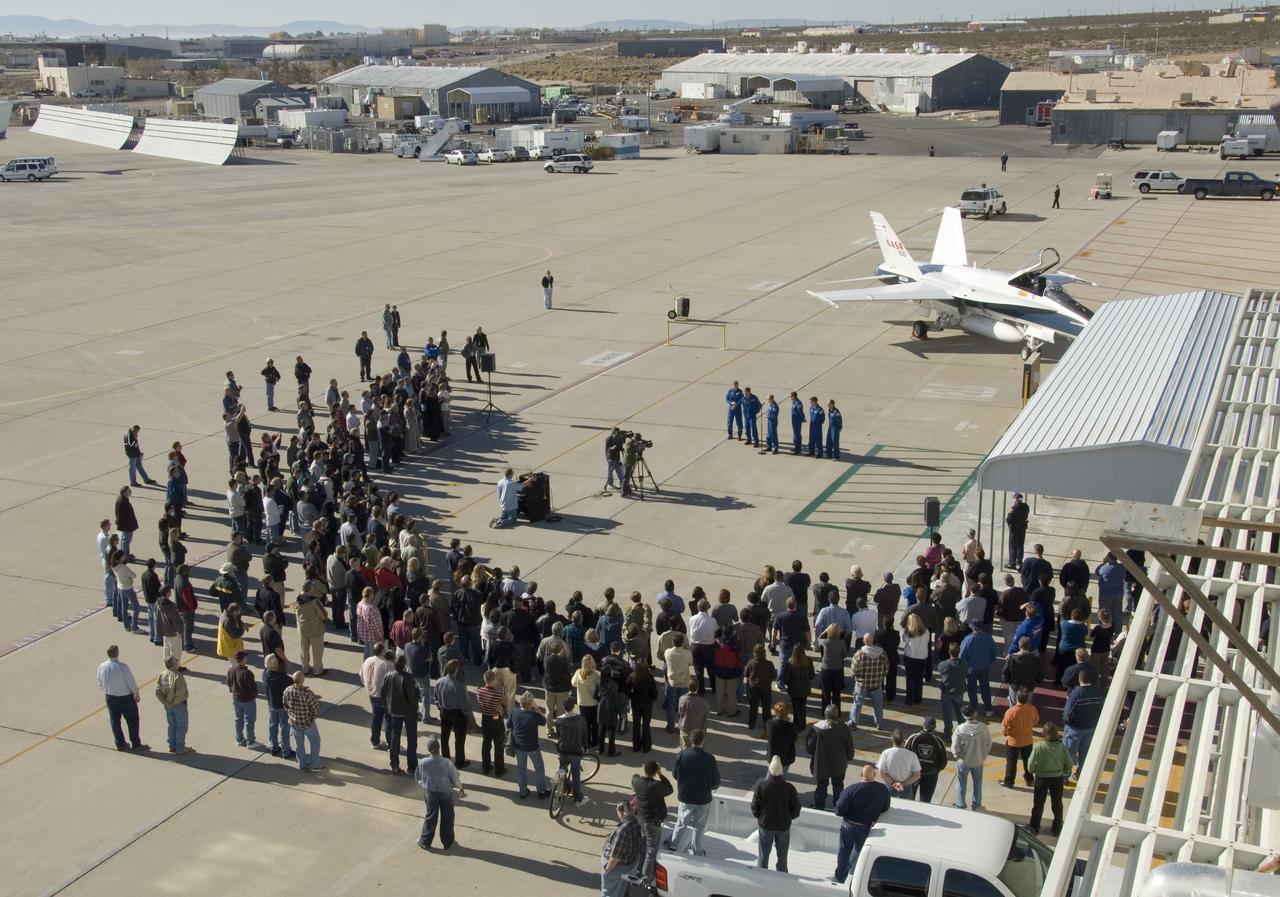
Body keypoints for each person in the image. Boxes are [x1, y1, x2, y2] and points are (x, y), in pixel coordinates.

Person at [833, 765, 892, 884]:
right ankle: (852, 873)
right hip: (866, 827)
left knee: (844, 850)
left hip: (848, 825)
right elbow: (885, 807)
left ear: (861, 775)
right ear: (874, 775)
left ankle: (840, 876)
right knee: (858, 851)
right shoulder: (882, 789)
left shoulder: (851, 790)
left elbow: (839, 810)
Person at [668, 728, 720, 855]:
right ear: (703, 741)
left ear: (690, 740)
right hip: (703, 798)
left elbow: (675, 774)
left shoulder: (681, 755)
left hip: (686, 797)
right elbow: (716, 782)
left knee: (682, 821)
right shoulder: (710, 759)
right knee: (699, 825)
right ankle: (696, 849)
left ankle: (673, 844)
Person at [751, 755, 801, 872]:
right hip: (783, 826)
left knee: (763, 856)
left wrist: (760, 817)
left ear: (769, 770)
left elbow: (754, 806)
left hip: (766, 824)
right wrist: (789, 818)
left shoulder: (761, 786)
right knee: (782, 858)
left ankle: (762, 876)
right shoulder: (790, 788)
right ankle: (782, 876)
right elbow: (796, 809)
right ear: (781, 771)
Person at [415, 734, 464, 850]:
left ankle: (425, 841)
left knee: (430, 817)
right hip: (446, 793)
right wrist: (460, 787)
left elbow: (418, 777)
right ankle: (448, 841)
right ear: (439, 748)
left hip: (431, 793)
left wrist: (425, 785)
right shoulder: (446, 762)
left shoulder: (423, 763)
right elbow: (454, 777)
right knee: (447, 817)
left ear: (429, 749)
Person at [631, 760, 673, 886]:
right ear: (655, 772)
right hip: (652, 823)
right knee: (651, 850)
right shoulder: (656, 786)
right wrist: (661, 774)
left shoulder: (637, 782)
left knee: (643, 847)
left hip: (641, 819)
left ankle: (638, 871)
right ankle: (646, 879)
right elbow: (670, 789)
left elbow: (634, 777)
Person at [806, 704, 855, 810]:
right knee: (838, 785)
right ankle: (838, 807)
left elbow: (809, 747)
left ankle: (819, 806)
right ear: (837, 715)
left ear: (825, 714)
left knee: (821, 785)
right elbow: (849, 745)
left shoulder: (816, 728)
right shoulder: (843, 728)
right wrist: (849, 757)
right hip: (839, 763)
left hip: (821, 763)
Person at [1027, 722, 1072, 835]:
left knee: (1038, 804)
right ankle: (1057, 828)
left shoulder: (1039, 746)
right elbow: (1069, 764)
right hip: (1057, 779)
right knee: (1057, 804)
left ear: (1044, 733)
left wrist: (1034, 770)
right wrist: (1062, 770)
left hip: (1042, 778)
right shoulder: (1062, 747)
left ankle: (1034, 827)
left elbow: (1030, 764)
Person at [383, 654, 422, 774]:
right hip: (409, 712)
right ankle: (412, 766)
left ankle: (394, 765)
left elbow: (383, 692)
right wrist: (416, 709)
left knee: (395, 738)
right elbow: (412, 697)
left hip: (394, 711)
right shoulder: (408, 678)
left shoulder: (388, 676)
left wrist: (388, 705)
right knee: (412, 739)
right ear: (404, 666)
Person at [1063, 667, 1104, 779]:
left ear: (1080, 679)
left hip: (1075, 729)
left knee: (1069, 754)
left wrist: (1067, 723)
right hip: (1091, 728)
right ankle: (1080, 774)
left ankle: (1064, 776)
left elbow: (1068, 713)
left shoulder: (1076, 694)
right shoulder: (1097, 693)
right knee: (1085, 753)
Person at [951, 706, 992, 810]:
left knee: (961, 782)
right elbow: (989, 743)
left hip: (964, 761)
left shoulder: (960, 729)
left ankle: (960, 805)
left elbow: (955, 746)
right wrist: (983, 754)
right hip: (978, 760)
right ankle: (976, 805)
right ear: (974, 714)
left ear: (963, 715)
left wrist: (956, 755)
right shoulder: (983, 727)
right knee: (978, 783)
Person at [601, 802, 645, 897]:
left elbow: (615, 857)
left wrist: (607, 870)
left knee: (608, 893)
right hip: (630, 863)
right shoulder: (636, 820)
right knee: (620, 889)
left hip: (616, 868)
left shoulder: (622, 831)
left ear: (620, 812)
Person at [282, 670, 323, 772]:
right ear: (303, 680)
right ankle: (314, 765)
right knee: (315, 741)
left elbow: (285, 704)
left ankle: (302, 766)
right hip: (307, 723)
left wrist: (290, 714)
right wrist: (311, 717)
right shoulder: (307, 694)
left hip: (294, 723)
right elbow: (315, 707)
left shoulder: (287, 690)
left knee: (299, 745)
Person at [510, 692, 548, 799]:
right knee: (539, 768)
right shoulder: (534, 716)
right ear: (531, 703)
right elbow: (544, 720)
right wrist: (537, 709)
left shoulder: (514, 712)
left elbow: (509, 724)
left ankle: (523, 792)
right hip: (532, 747)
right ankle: (541, 791)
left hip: (519, 746)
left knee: (521, 769)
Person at [434, 659, 470, 765]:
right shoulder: (459, 686)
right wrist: (466, 712)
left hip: (444, 712)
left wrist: (440, 707)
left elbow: (436, 697)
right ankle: (460, 761)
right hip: (458, 713)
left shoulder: (439, 682)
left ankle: (446, 760)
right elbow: (464, 703)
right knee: (459, 739)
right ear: (456, 670)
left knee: (444, 737)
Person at [848, 632, 887, 730]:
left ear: (863, 641)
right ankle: (879, 723)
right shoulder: (882, 653)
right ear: (873, 640)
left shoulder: (859, 654)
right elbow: (886, 668)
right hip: (876, 684)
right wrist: (880, 677)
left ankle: (853, 722)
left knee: (857, 704)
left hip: (861, 684)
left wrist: (855, 677)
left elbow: (853, 670)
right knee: (878, 705)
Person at [154, 654, 192, 755]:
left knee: (172, 725)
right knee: (181, 727)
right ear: (173, 664)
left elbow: (157, 691)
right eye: (176, 660)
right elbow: (181, 693)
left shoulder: (162, 675)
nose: (177, 661)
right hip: (179, 705)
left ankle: (172, 746)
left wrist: (165, 702)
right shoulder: (178, 676)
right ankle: (180, 748)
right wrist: (174, 703)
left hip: (168, 706)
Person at [1001, 688, 1039, 787]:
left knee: (1011, 763)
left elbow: (1005, 728)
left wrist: (1006, 733)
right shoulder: (1032, 709)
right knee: (1028, 762)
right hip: (1027, 740)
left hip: (1013, 742)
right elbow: (1035, 721)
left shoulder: (1011, 712)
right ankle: (1029, 780)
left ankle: (1009, 782)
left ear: (1016, 698)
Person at [904, 718, 947, 802]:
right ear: (934, 727)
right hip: (930, 774)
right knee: (925, 802)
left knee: (909, 800)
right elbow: (943, 761)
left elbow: (905, 755)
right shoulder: (939, 741)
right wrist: (935, 771)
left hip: (913, 773)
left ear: (923, 725)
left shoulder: (913, 738)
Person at [935, 642, 968, 740]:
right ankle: (962, 733)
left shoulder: (944, 664)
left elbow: (939, 668)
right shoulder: (964, 664)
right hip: (959, 692)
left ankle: (948, 735)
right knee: (960, 714)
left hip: (947, 693)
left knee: (947, 715)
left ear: (949, 652)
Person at [226, 649, 259, 748]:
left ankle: (239, 739)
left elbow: (229, 684)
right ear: (244, 659)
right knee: (249, 721)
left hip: (236, 699)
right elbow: (253, 688)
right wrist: (254, 695)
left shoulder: (231, 670)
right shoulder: (247, 673)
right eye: (246, 656)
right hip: (248, 700)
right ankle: (251, 741)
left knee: (238, 719)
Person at [876, 729, 921, 795]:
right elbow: (917, 775)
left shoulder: (886, 753)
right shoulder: (912, 755)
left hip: (890, 788)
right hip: (906, 789)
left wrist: (894, 783)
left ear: (892, 740)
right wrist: (903, 784)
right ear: (903, 740)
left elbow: (881, 773)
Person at [1005, 493, 1029, 569]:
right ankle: (1019, 561)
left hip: (1014, 530)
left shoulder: (1013, 508)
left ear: (1016, 499)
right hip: (1022, 528)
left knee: (1013, 546)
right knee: (1020, 545)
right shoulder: (1026, 506)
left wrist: (1010, 526)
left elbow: (1008, 519)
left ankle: (1012, 563)